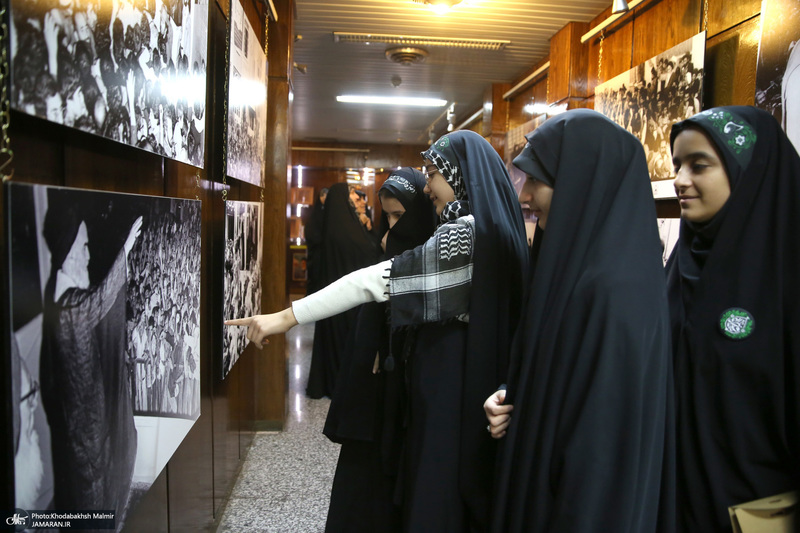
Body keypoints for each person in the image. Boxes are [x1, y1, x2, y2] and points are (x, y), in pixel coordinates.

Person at [227, 129, 529, 531]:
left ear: (458, 175)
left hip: (448, 388)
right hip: (474, 383)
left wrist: (283, 318)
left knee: (435, 490)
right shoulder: (499, 229)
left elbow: (373, 281)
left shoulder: (464, 234)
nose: (428, 189)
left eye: (434, 174)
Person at [485, 109, 674, 532]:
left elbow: (601, 457)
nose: (523, 196)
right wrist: (510, 395)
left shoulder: (616, 291)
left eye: (537, 180)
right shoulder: (573, 265)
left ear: (580, 180)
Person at [665, 106, 800, 531]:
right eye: (678, 165)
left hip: (764, 511)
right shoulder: (679, 270)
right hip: (676, 505)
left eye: (699, 165)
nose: (681, 180)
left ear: (747, 171)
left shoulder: (788, 274)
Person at [323, 167, 437, 533]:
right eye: (386, 215)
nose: (391, 227)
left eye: (399, 216)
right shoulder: (388, 244)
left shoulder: (436, 256)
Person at [39, 203, 143, 520]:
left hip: (86, 434)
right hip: (84, 443)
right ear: (71, 255)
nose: (87, 256)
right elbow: (97, 303)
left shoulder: (61, 297)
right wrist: (124, 250)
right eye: (83, 247)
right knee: (91, 510)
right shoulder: (68, 307)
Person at [306, 182, 381, 399]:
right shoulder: (342, 232)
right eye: (353, 197)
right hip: (347, 301)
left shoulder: (349, 226)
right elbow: (368, 255)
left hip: (348, 299)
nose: (359, 200)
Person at [305, 187, 328, 294]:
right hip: (316, 254)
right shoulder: (314, 214)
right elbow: (311, 234)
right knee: (314, 282)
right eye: (323, 196)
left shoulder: (329, 214)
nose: (325, 198)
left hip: (325, 255)